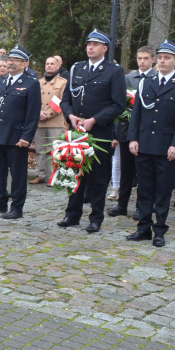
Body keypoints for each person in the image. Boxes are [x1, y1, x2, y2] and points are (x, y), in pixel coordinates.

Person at [125, 40, 175, 246]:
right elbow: (136, 114)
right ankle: (143, 228)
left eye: (167, 58)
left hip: (166, 147)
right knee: (144, 189)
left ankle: (160, 230)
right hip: (144, 144)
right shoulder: (147, 82)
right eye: (161, 57)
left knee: (163, 191)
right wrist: (133, 138)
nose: (163, 61)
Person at [58, 30, 125, 232]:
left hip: (99, 134)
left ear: (105, 48)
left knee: (98, 178)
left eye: (95, 44)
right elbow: (66, 100)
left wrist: (94, 120)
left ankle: (96, 217)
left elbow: (118, 105)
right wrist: (70, 116)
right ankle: (72, 214)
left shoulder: (113, 71)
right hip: (76, 132)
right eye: (89, 43)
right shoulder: (77, 68)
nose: (90, 47)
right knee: (75, 173)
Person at [0, 46, 40, 219]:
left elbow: (32, 114)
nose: (11, 63)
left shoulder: (31, 83)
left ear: (24, 63)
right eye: (10, 59)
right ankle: (0, 202)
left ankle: (17, 207)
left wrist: (26, 136)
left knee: (18, 173)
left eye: (16, 60)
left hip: (16, 136)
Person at [110, 46, 156, 217]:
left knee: (143, 173)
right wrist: (117, 132)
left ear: (153, 59)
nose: (142, 61)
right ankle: (122, 204)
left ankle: (141, 207)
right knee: (126, 170)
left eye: (145, 58)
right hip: (126, 130)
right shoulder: (128, 78)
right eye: (139, 58)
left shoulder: (156, 79)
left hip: (146, 133)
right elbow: (119, 105)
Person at [31, 56, 68, 184]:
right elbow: (33, 100)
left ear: (58, 66)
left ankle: (55, 176)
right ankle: (40, 174)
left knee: (55, 150)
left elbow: (62, 101)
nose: (49, 66)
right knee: (40, 150)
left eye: (52, 63)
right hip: (39, 120)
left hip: (54, 121)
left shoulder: (63, 82)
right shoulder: (38, 82)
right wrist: (38, 113)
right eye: (47, 63)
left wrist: (48, 114)